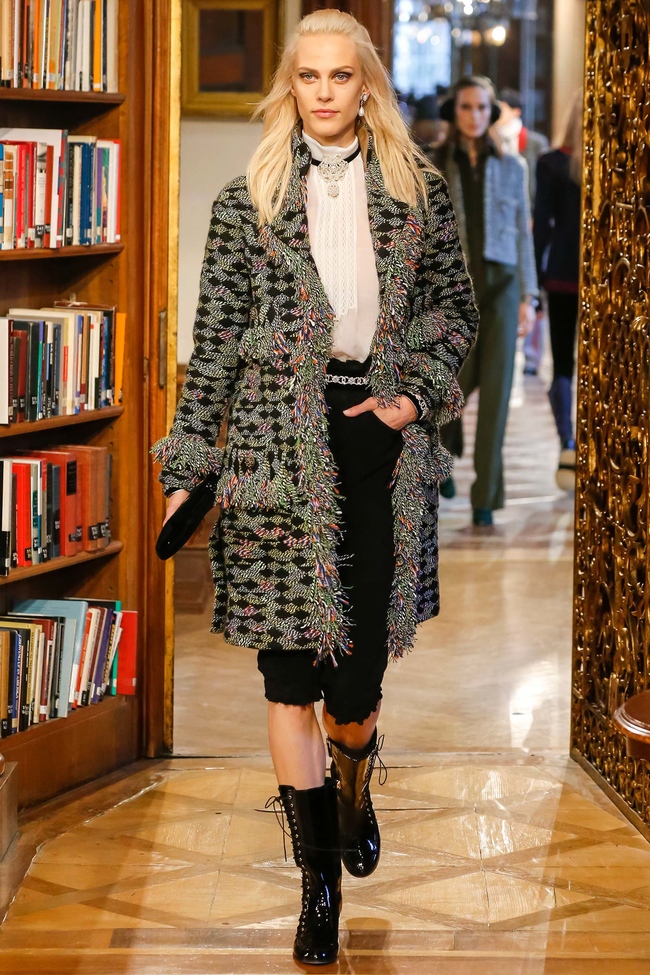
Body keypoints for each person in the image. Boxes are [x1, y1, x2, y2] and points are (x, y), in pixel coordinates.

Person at [152, 10, 478, 966]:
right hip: (273, 449)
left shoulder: (418, 193)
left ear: (365, 85)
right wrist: (187, 468)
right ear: (289, 86)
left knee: (357, 686)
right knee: (289, 676)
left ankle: (354, 782)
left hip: (376, 438)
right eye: (308, 76)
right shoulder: (245, 201)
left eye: (341, 76)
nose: (325, 92)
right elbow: (214, 346)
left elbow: (455, 311)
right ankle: (319, 884)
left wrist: (410, 399)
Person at [435, 76, 538, 526]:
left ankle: (486, 497)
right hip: (455, 290)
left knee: (496, 391)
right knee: (449, 384)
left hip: (503, 285)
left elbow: (523, 236)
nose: (474, 115)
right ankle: (441, 457)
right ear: (454, 112)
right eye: (466, 107)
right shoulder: (435, 165)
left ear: (491, 112)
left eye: (481, 107)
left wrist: (529, 296)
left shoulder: (513, 166)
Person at [533, 91, 583, 490]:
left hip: (563, 273)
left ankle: (568, 445)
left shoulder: (551, 163)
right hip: (611, 276)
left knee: (563, 362)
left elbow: (542, 227)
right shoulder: (618, 163)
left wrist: (535, 281)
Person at [496, 88, 549, 377]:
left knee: (532, 282)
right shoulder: (490, 139)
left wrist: (535, 218)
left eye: (502, 107)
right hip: (505, 224)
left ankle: (532, 355)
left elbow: (543, 187)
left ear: (515, 111)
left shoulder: (536, 142)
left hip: (531, 223)